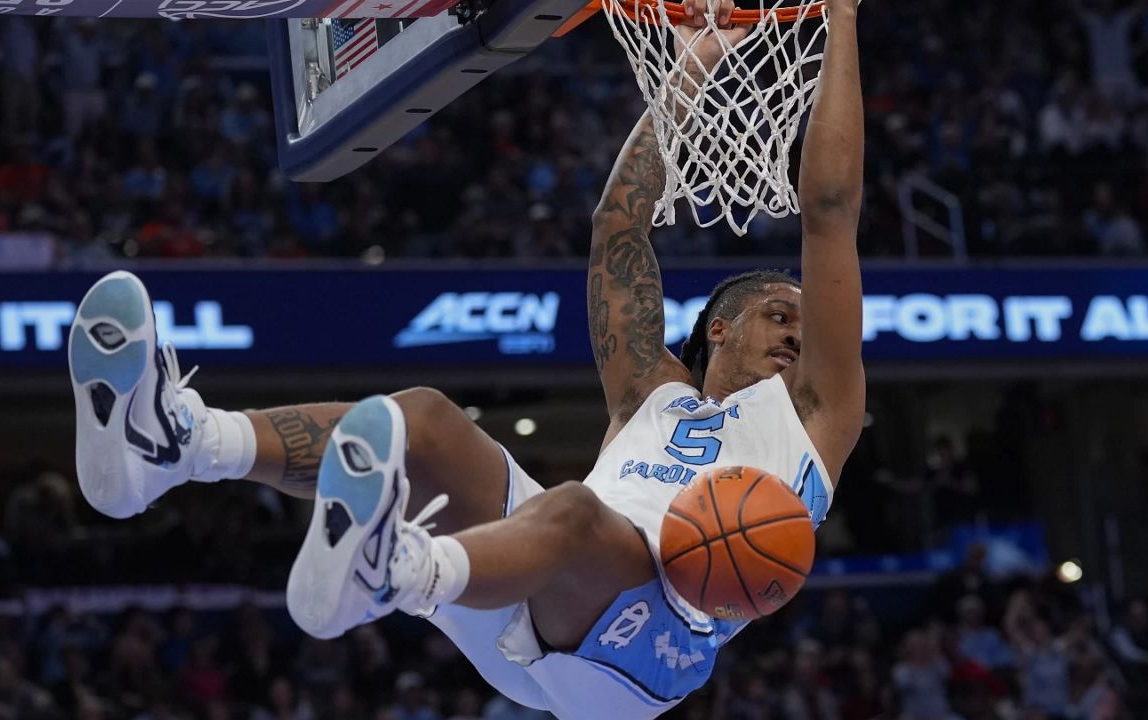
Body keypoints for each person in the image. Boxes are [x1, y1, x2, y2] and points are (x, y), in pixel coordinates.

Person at [66, 0, 865, 717]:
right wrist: (690, 71)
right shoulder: (652, 395)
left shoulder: (817, 419)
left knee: (579, 513)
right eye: (776, 312)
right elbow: (620, 228)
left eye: (803, 321)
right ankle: (174, 445)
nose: (800, 331)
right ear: (717, 331)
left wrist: (842, 18)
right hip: (518, 581)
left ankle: (389, 572)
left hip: (638, 655)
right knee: (424, 421)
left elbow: (828, 212)